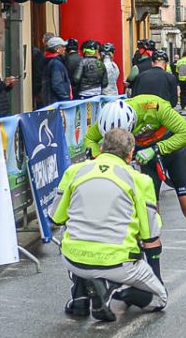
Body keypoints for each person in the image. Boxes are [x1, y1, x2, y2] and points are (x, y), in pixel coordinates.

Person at [88, 91, 186, 297]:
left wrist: (157, 149)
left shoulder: (154, 107)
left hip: (172, 152)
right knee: (149, 217)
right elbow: (89, 139)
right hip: (145, 161)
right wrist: (100, 159)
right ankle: (155, 281)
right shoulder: (109, 117)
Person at [53, 121, 167, 321]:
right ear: (130, 154)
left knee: (72, 226)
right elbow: (150, 233)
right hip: (117, 263)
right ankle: (116, 292)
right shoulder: (140, 180)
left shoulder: (75, 170)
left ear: (102, 148)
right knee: (160, 298)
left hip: (73, 258)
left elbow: (56, 217)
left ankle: (80, 294)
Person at [38, 35, 73, 106]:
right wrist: (66, 98)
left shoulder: (48, 61)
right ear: (57, 49)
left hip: (51, 100)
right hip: (57, 102)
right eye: (62, 46)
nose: (65, 48)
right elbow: (57, 84)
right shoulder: (56, 64)